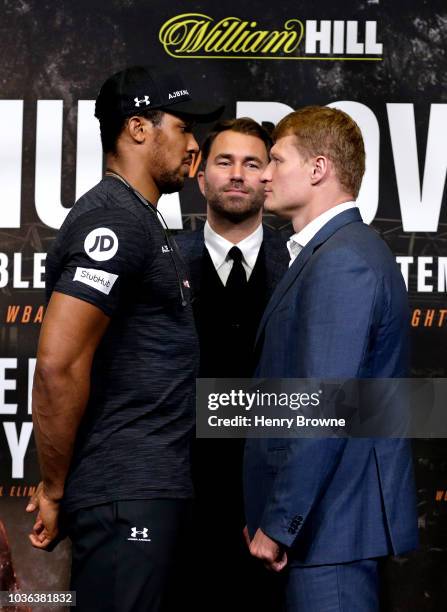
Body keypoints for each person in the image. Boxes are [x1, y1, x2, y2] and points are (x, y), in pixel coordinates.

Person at [26, 65, 223, 612]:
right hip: (125, 494)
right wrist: (54, 488)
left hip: (143, 490)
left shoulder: (142, 217)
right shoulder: (112, 220)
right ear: (138, 129)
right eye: (183, 129)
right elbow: (58, 366)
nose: (194, 147)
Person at [243, 106, 418, 611]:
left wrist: (279, 522)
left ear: (318, 169)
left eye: (276, 160)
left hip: (332, 529)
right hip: (325, 526)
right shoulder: (335, 252)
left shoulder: (343, 260)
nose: (264, 173)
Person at [175, 118, 289, 611]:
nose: (238, 174)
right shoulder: (162, 263)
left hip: (274, 515)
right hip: (180, 509)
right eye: (224, 162)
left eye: (252, 163)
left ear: (269, 178)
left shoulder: (302, 264)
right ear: (201, 177)